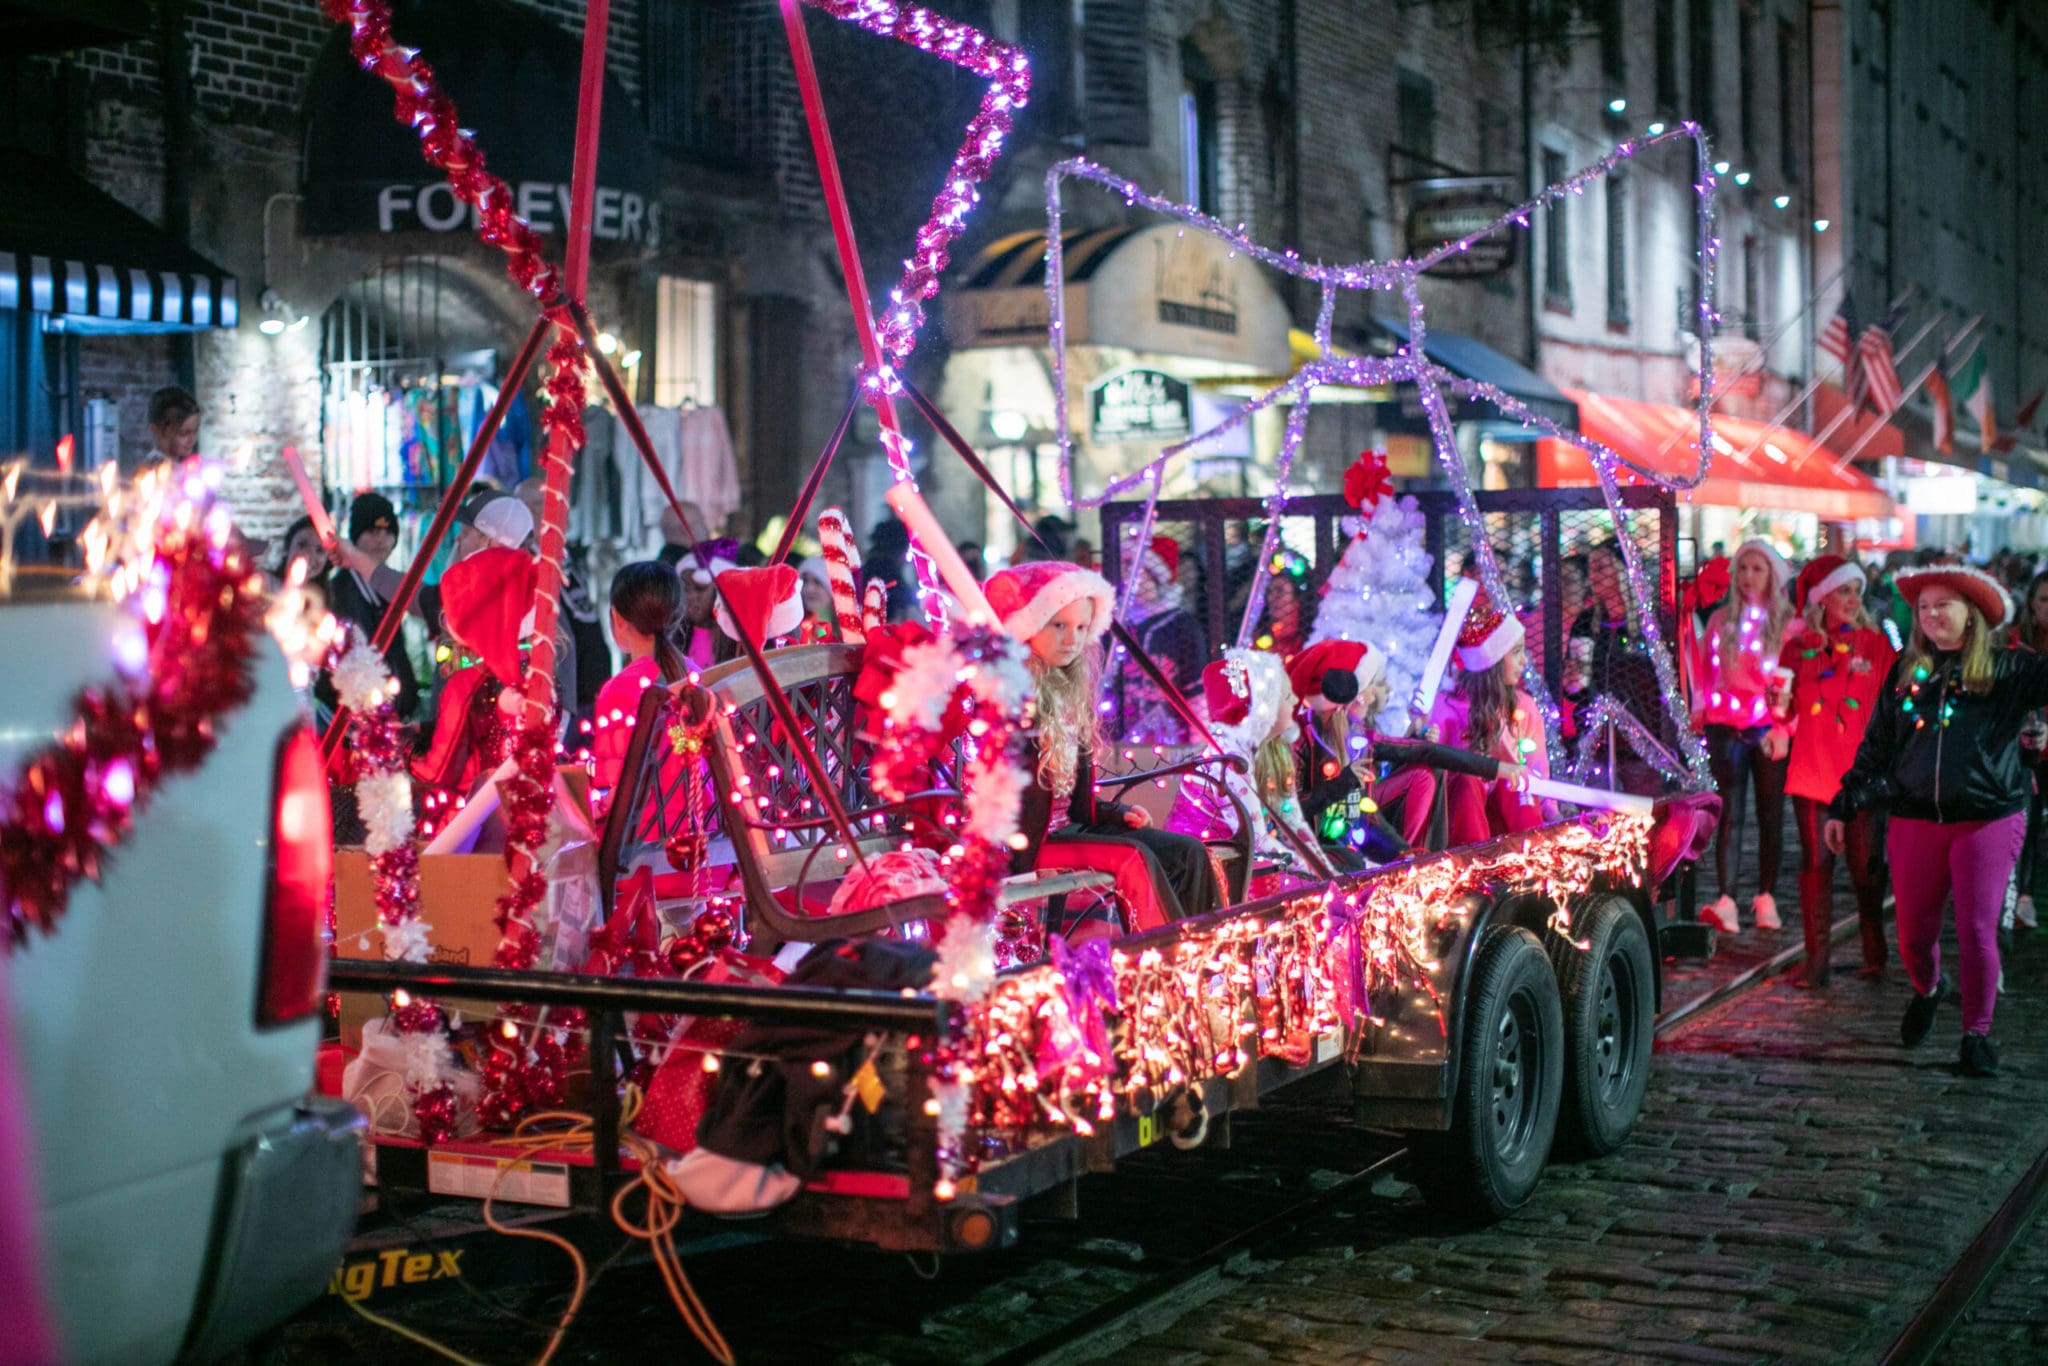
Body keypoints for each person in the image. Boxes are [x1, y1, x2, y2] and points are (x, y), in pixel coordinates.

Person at [1827, 565, 2048, 1077]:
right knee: (1912, 936)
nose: (1931, 615)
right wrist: (1845, 802)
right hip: (1914, 818)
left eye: (1943, 604)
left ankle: (1976, 1033)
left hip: (1987, 818)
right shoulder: (1908, 672)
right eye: (1923, 606)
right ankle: (1929, 988)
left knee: (1975, 929)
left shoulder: (2007, 669)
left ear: (1971, 613)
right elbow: (1878, 745)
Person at [990, 561, 1220, 937]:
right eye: (1058, 625)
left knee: (1188, 852)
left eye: (1081, 628)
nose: (1072, 639)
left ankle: (1209, 946)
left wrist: (1117, 813)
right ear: (1028, 626)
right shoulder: (1010, 698)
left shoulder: (1069, 694)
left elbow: (1074, 799)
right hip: (1031, 845)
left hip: (1072, 830)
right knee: (1133, 858)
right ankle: (1165, 954)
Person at [1774, 555, 1895, 986]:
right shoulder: (1798, 647)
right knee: (1816, 863)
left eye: (1856, 591)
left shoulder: (1876, 645)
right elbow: (1784, 710)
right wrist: (1778, 714)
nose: (1852, 598)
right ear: (1823, 598)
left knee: (1865, 867)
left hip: (1859, 777)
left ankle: (1873, 947)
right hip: (1812, 770)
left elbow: (1891, 707)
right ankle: (1817, 963)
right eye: (1844, 590)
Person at [1289, 638, 1512, 864]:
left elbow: (1423, 753)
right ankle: (1411, 862)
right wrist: (1342, 783)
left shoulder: (1359, 737)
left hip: (1361, 829)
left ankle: (1424, 859)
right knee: (1355, 858)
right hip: (1323, 845)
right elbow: (1292, 809)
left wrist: (1497, 768)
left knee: (1428, 771)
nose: (1373, 697)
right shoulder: (1302, 738)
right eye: (1370, 688)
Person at [1693, 540, 1795, 936]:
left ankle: (1766, 895)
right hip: (1725, 727)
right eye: (1743, 568)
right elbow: (1704, 671)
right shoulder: (1721, 622)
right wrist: (1702, 711)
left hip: (1770, 727)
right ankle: (1727, 898)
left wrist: (1784, 727)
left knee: (1770, 814)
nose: (1749, 576)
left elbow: (1792, 682)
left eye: (1758, 568)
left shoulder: (1788, 625)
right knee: (1731, 814)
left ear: (1772, 575)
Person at [1167, 648, 1323, 879]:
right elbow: (1258, 842)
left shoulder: (1258, 750)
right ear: (1260, 710)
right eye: (1284, 695)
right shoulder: (1229, 762)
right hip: (1206, 876)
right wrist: (1316, 875)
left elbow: (1293, 821)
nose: (1294, 700)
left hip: (1235, 864)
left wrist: (1324, 869)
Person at [1430, 588, 1554, 837]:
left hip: (1510, 819)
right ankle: (1473, 862)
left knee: (1519, 782)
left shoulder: (1524, 707)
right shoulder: (1446, 708)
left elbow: (1537, 769)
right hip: (1461, 820)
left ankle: (1532, 857)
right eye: (1516, 652)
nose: (1524, 662)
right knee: (1467, 779)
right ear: (1493, 662)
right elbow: (1435, 782)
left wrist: (1554, 814)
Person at [589, 561, 688, 825]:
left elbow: (616, 788)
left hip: (644, 847)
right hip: (704, 838)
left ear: (618, 620)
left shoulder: (619, 690)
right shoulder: (699, 676)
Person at [324, 493, 434, 722]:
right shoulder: (339, 592)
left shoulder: (386, 589)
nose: (381, 539)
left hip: (395, 715)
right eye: (373, 531)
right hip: (361, 721)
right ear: (355, 536)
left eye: (388, 531)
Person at [517, 475, 611, 721]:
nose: (558, 511)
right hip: (569, 698)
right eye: (542, 504)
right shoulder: (528, 564)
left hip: (591, 691)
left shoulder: (562, 557)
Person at [1113, 535, 1205, 744]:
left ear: (1155, 575)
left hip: (1171, 742)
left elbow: (1197, 696)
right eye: (1124, 567)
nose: (1125, 576)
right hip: (1118, 742)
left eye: (1133, 567)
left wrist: (1198, 750)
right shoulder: (1115, 622)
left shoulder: (1182, 627)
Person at [2008, 570, 2048, 929]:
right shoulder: (2016, 644)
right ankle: (2024, 897)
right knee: (2028, 823)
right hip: (2028, 751)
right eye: (2044, 600)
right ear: (2031, 605)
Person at [128, 386, 201, 478]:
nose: (192, 439)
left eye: (195, 431)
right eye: (183, 433)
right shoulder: (151, 473)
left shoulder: (184, 467)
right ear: (155, 430)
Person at [796, 556, 837, 643]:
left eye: (818, 582)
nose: (809, 589)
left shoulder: (847, 632)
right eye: (805, 581)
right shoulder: (792, 626)